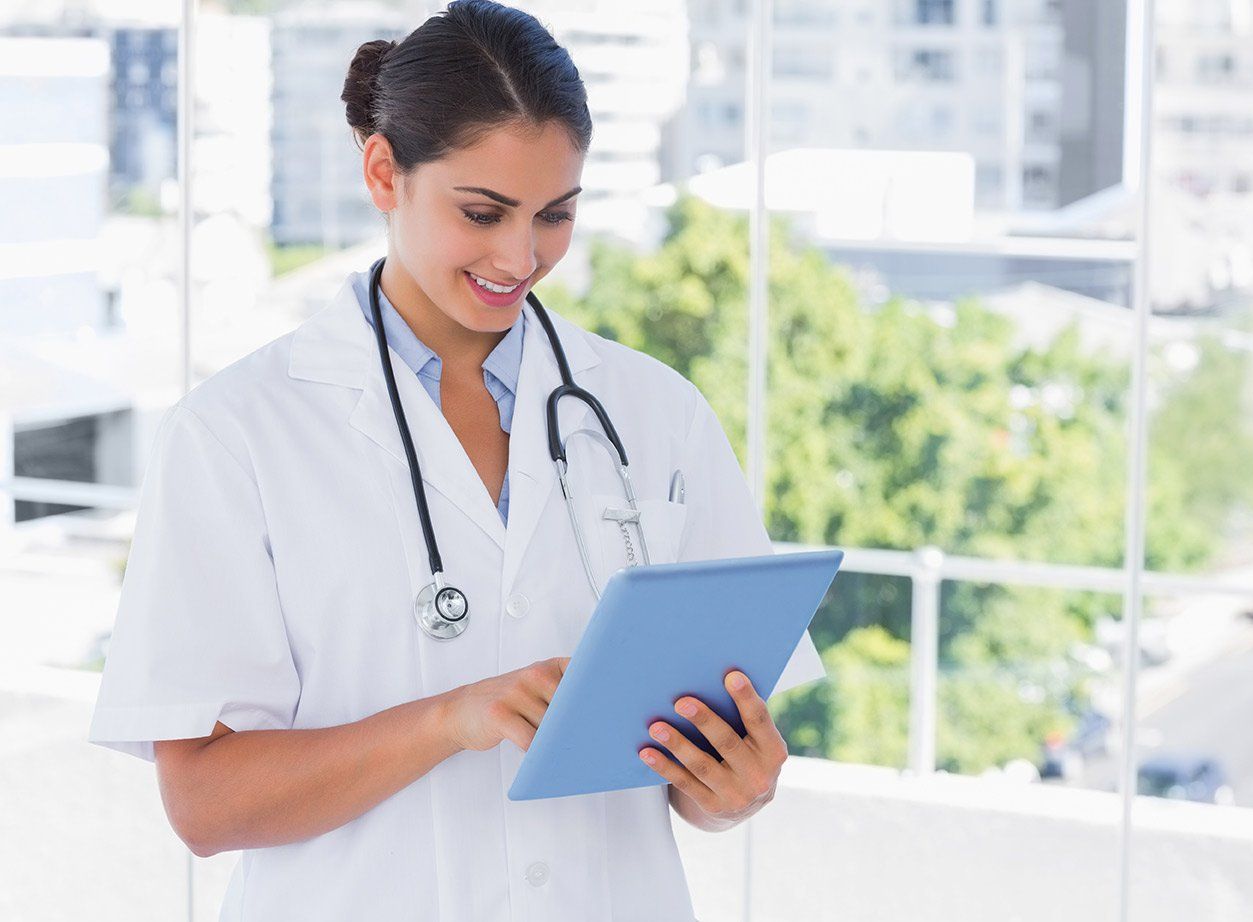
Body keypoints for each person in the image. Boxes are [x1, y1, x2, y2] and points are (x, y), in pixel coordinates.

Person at [87, 2, 826, 919]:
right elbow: (204, 804)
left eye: (554, 215)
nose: (520, 257)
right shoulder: (238, 432)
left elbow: (700, 757)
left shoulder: (655, 414)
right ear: (383, 171)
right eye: (483, 212)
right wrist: (449, 720)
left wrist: (730, 790)